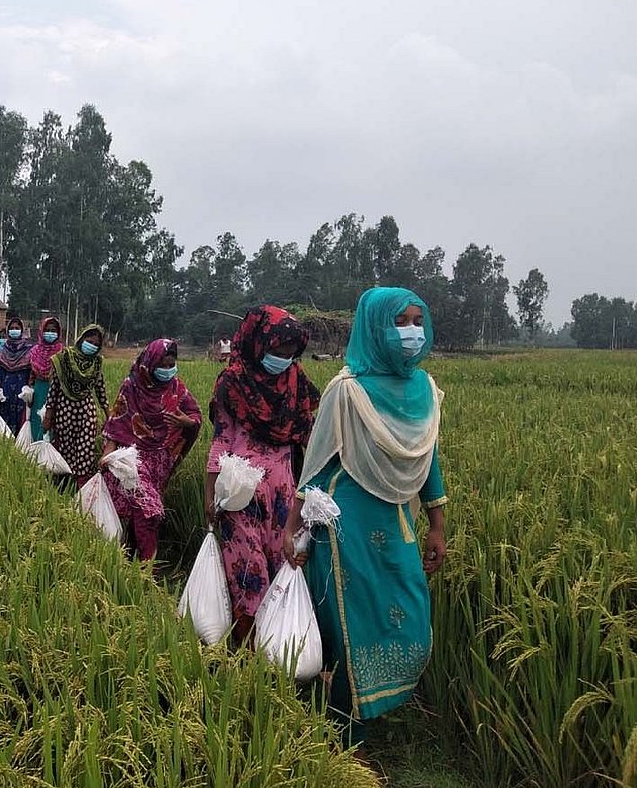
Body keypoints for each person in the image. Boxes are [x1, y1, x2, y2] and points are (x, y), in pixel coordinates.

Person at [283, 287, 447, 748]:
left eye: (418, 320)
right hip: (345, 524)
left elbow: (427, 458)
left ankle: (363, 708)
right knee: (350, 623)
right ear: (376, 328)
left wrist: (436, 524)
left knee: (410, 616)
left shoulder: (424, 389)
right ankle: (341, 727)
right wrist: (292, 525)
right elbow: (317, 463)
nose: (412, 332)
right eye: (401, 322)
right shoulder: (347, 390)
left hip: (396, 520)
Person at [204, 306, 320, 643]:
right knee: (247, 570)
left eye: (289, 353)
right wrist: (210, 491)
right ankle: (247, 649)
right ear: (257, 342)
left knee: (279, 564)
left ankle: (275, 646)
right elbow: (222, 437)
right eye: (276, 351)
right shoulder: (233, 381)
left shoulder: (296, 383)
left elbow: (310, 440)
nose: (282, 359)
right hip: (241, 490)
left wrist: (312, 494)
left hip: (284, 492)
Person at [101, 339, 202, 560]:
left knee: (140, 508)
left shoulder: (177, 387)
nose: (167, 370)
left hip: (160, 458)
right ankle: (148, 563)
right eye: (162, 365)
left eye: (171, 364)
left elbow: (195, 415)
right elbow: (116, 421)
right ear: (150, 363)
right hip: (132, 457)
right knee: (146, 506)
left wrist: (185, 422)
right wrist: (108, 453)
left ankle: (134, 552)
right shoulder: (132, 386)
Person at [44, 325, 109, 489]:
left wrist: (109, 414)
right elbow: (54, 388)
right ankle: (63, 484)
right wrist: (49, 414)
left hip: (86, 411)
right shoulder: (64, 358)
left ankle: (81, 488)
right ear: (81, 339)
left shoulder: (96, 363)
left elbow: (100, 389)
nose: (92, 345)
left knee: (85, 449)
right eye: (89, 341)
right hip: (65, 410)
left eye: (95, 343)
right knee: (65, 448)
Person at [27, 317, 64, 440]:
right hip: (38, 390)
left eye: (53, 330)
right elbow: (31, 376)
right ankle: (36, 447)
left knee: (53, 419)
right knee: (37, 419)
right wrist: (29, 393)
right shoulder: (34, 351)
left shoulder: (62, 352)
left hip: (56, 392)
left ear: (58, 333)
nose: (50, 333)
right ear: (42, 332)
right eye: (47, 330)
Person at [0, 318, 33, 432]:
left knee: (20, 417)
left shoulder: (28, 350)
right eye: (11, 328)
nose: (14, 330)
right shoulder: (3, 350)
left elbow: (31, 372)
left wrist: (30, 389)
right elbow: (0, 372)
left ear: (22, 330)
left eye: (17, 328)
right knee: (5, 417)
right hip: (6, 389)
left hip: (21, 390)